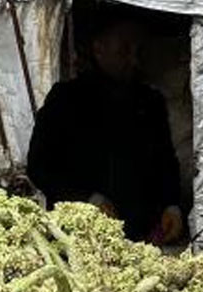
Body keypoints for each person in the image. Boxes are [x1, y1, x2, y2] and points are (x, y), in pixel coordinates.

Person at [26, 14, 183, 244]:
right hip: (78, 234)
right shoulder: (66, 99)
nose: (133, 60)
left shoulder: (150, 102)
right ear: (98, 48)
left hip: (142, 233)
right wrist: (88, 200)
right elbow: (39, 167)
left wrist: (172, 205)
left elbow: (166, 162)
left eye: (138, 51)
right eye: (124, 49)